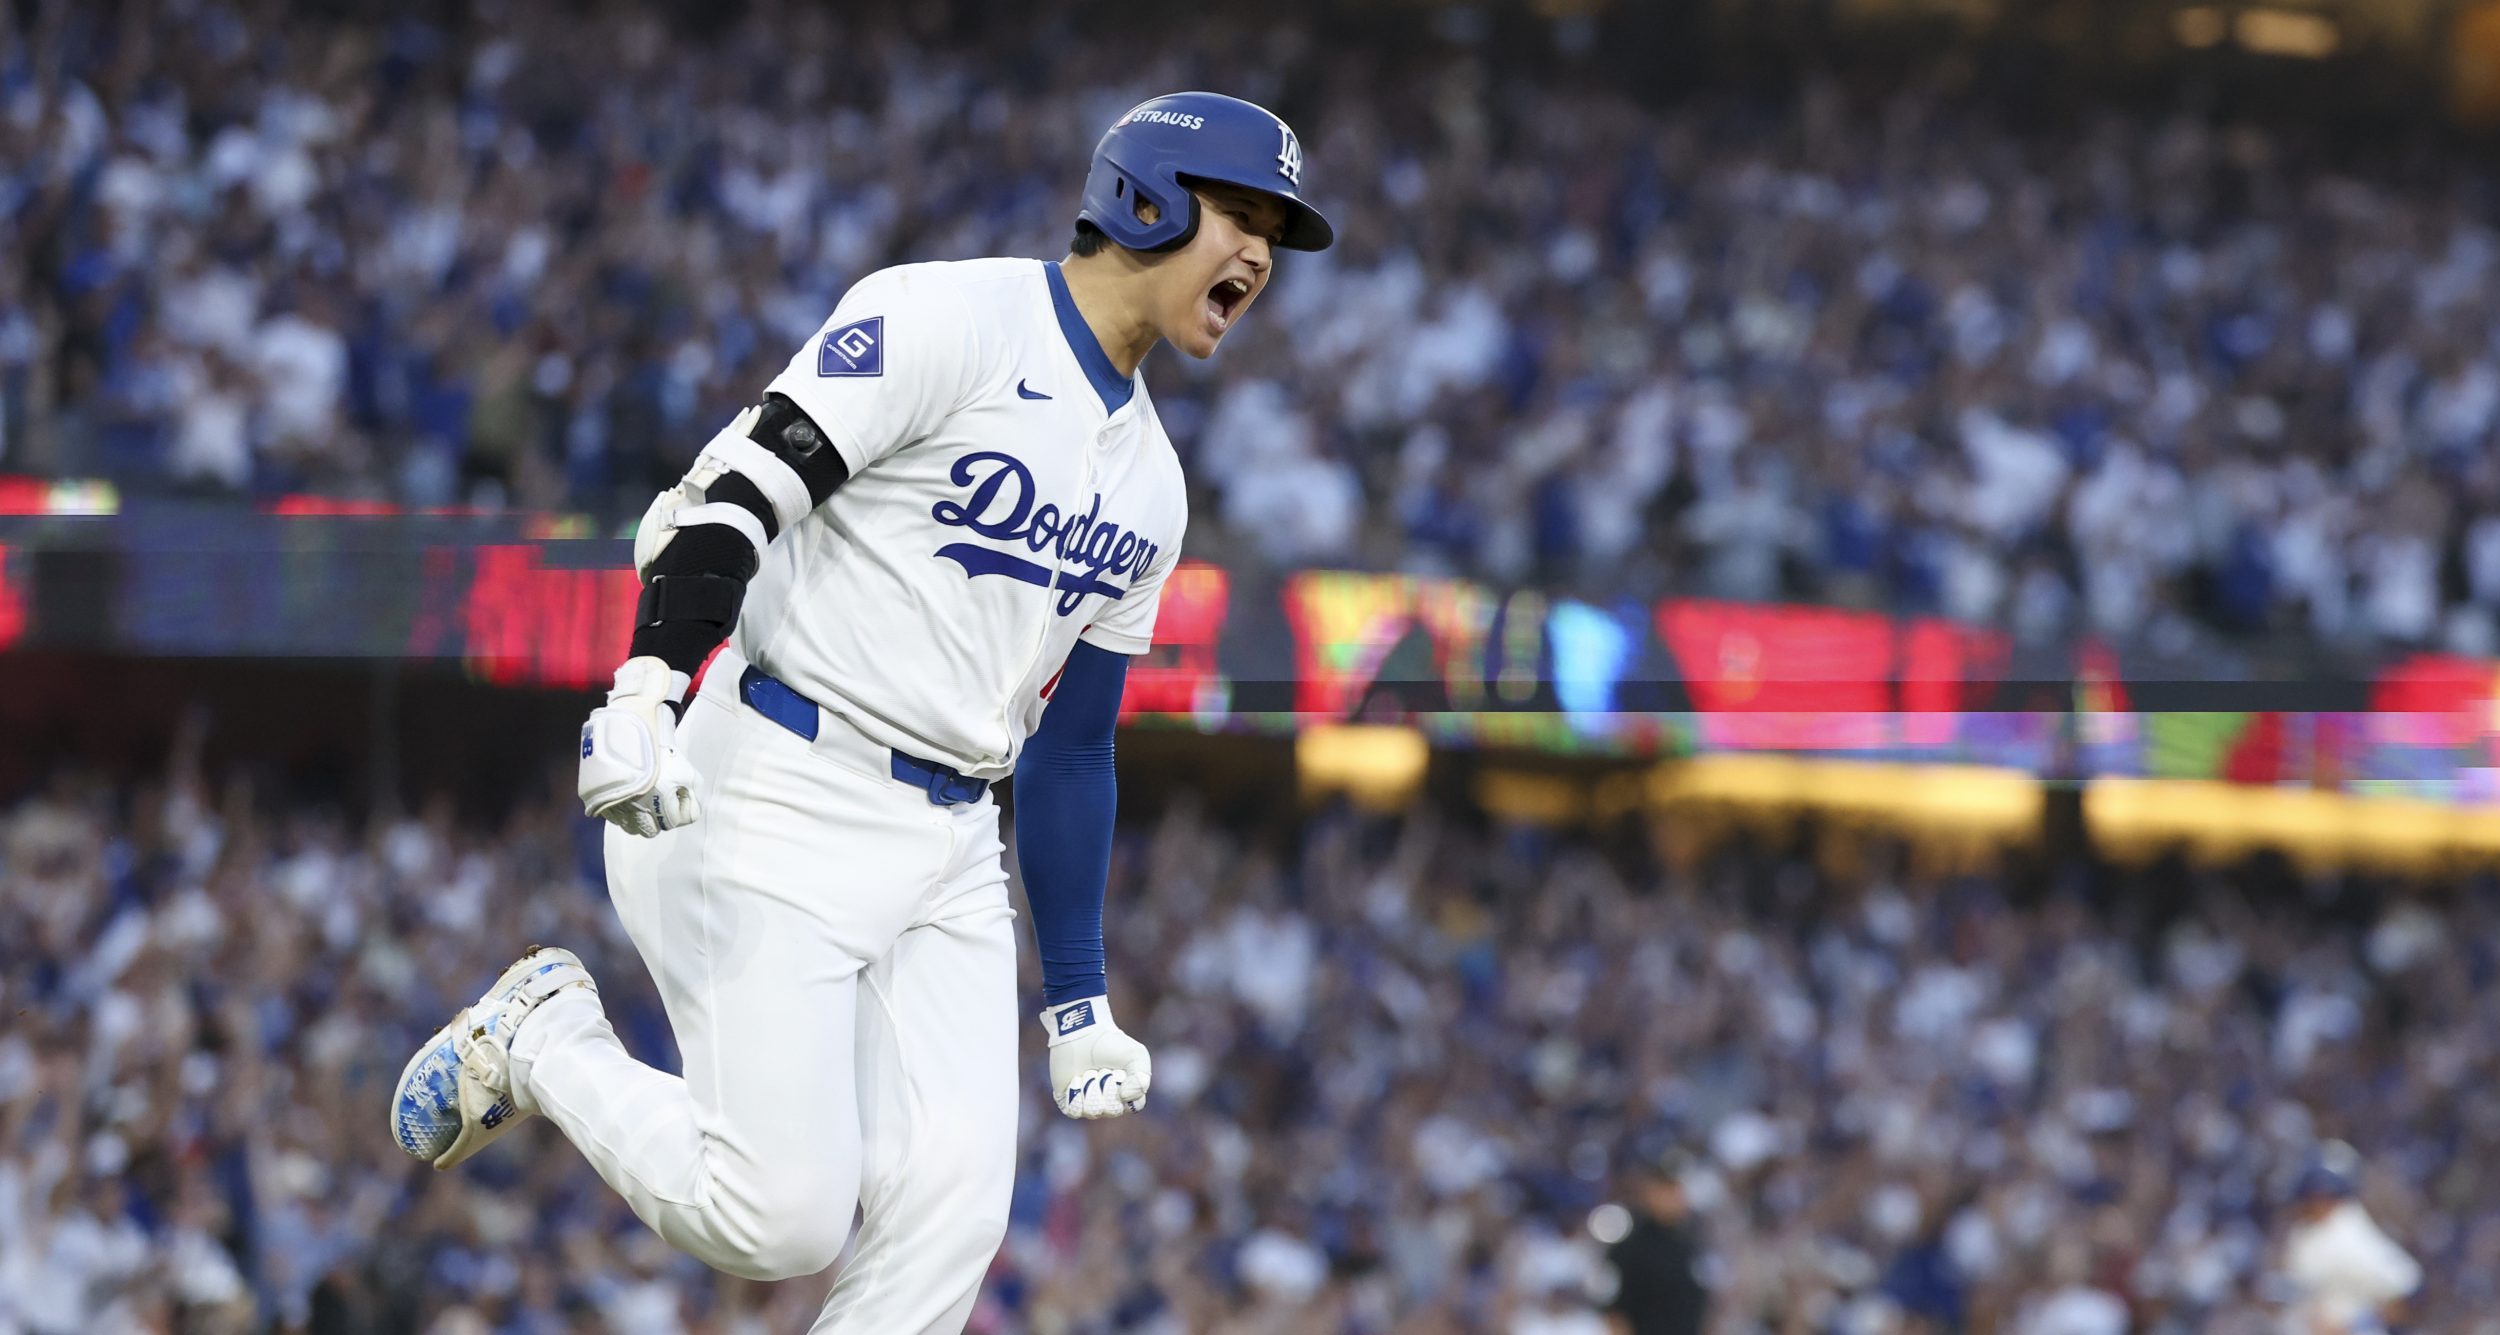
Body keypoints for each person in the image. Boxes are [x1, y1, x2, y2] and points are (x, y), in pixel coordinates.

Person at [387, 91, 1333, 1333]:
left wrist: (1082, 999)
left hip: (950, 843)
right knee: (777, 1221)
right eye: (1241, 211)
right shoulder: (949, 316)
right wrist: (646, 685)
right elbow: (738, 493)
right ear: (1146, 197)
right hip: (776, 770)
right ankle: (546, 1035)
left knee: (951, 1220)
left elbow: (1075, 749)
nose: (1262, 251)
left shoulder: (1152, 486)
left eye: (1279, 228)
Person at [2280, 1142, 2421, 1335]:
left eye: (2320, 1194)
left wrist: (2355, 1325)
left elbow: (2408, 1290)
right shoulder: (2306, 1232)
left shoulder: (2350, 1232)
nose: (2313, 1201)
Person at [1602, 1145, 1709, 1335]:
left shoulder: (1689, 1247)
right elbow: (1615, 1315)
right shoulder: (1628, 1247)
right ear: (1649, 1189)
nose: (1675, 1196)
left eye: (1677, 1188)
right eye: (1666, 1187)